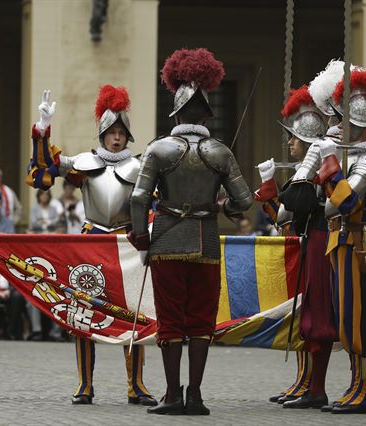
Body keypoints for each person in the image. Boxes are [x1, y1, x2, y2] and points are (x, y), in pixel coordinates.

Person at [283, 67, 366, 414]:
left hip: (361, 242)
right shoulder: (354, 153)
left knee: (364, 320)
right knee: (346, 317)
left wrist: (329, 165)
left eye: (344, 118)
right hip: (340, 242)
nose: (338, 123)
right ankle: (353, 387)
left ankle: (364, 391)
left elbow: (343, 202)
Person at [129, 48, 253, 415]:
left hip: (167, 240)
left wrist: (141, 237)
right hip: (207, 242)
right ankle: (196, 395)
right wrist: (220, 207)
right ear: (206, 114)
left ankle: (172, 395)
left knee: (170, 319)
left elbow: (138, 199)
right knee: (201, 319)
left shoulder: (159, 149)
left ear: (177, 112)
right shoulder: (219, 151)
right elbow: (243, 201)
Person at [25, 85, 157, 406]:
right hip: (91, 244)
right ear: (102, 135)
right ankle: (85, 384)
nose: (116, 137)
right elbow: (42, 173)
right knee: (83, 314)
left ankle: (136, 385)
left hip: (127, 245)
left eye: (121, 132)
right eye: (111, 132)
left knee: (134, 315)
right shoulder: (84, 163)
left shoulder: (141, 168)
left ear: (128, 137)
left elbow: (155, 203)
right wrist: (42, 132)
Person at [257, 83, 334, 410]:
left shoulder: (319, 171)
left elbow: (295, 208)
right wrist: (270, 188)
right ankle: (305, 383)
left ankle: (317, 387)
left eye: (294, 138)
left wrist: (276, 192)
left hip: (320, 240)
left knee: (318, 314)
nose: (289, 143)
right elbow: (282, 217)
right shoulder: (305, 172)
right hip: (307, 241)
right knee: (305, 313)